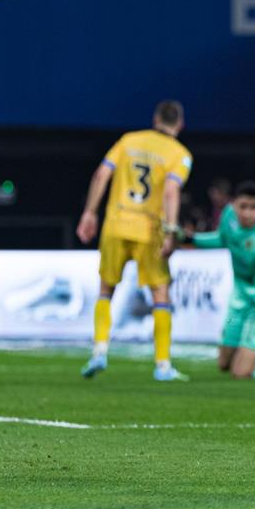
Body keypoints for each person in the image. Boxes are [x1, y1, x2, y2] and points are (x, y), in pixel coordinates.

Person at [76, 100, 192, 381]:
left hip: (116, 223)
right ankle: (162, 365)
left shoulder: (128, 140)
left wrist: (89, 212)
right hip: (149, 229)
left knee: (106, 289)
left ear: (155, 119)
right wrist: (170, 230)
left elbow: (102, 173)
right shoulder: (180, 154)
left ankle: (99, 352)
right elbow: (170, 191)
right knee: (160, 294)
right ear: (180, 124)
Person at [188, 181, 255, 379]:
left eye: (253, 207)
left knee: (239, 373)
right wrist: (192, 239)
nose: (247, 213)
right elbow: (222, 239)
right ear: (234, 205)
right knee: (224, 364)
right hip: (238, 300)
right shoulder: (228, 216)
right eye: (243, 206)